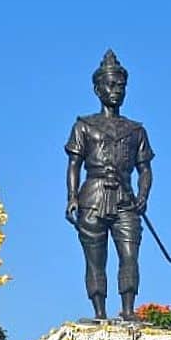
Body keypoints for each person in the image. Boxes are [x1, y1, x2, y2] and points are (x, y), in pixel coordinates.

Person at [65, 49, 154, 321]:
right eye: (111, 85)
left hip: (125, 198)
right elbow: (74, 165)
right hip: (92, 195)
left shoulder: (135, 130)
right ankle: (99, 312)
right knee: (95, 259)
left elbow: (145, 168)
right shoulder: (84, 125)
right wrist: (71, 197)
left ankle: (128, 310)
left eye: (121, 86)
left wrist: (143, 194)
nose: (116, 90)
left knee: (130, 255)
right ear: (97, 88)